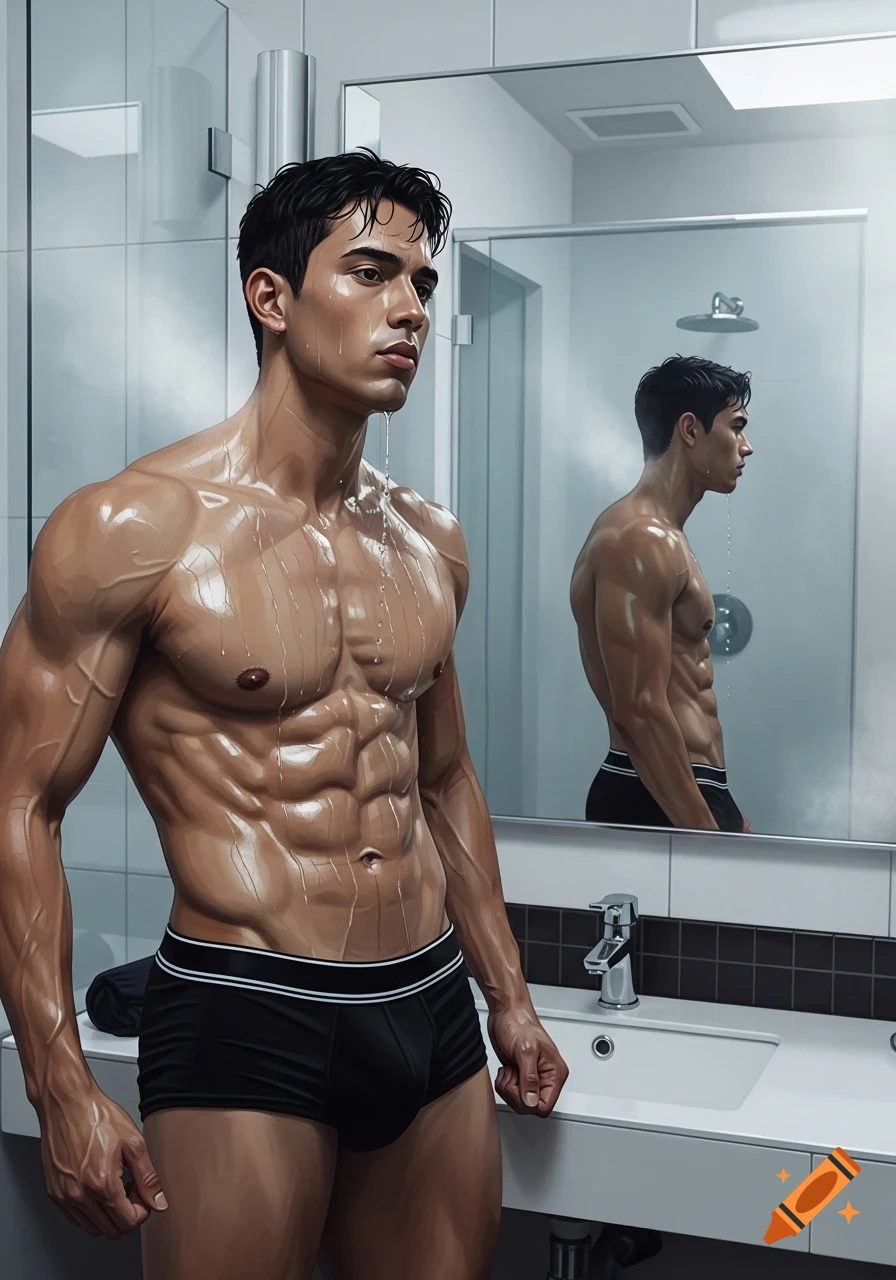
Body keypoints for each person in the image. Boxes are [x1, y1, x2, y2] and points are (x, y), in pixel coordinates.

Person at [0, 150, 568, 1280]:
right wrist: (59, 1080)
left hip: (428, 1000)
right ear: (270, 297)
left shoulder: (428, 538)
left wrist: (507, 993)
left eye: (422, 281)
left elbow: (442, 778)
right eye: (369, 271)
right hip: (248, 1008)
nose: (409, 306)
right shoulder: (135, 529)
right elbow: (19, 804)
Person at [570, 355, 753, 834]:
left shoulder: (660, 535)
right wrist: (707, 836)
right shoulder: (641, 540)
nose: (746, 447)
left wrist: (728, 817)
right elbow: (639, 711)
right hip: (654, 796)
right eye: (736, 428)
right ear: (690, 429)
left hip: (684, 791)